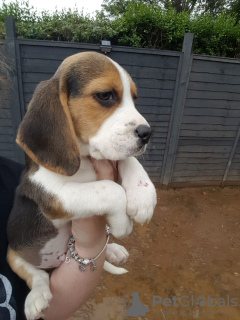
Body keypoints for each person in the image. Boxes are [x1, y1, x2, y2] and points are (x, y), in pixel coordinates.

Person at [0, 155, 117, 320]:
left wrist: (90, 244)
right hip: (37, 265)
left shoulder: (20, 180)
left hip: (56, 260)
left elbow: (51, 309)